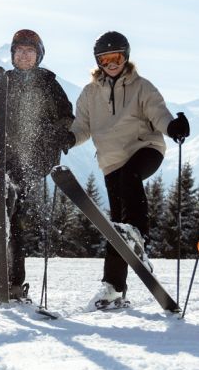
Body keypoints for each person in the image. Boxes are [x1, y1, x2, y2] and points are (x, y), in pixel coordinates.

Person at [69, 31, 190, 309]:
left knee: (130, 178)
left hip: (144, 149)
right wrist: (68, 138)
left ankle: (140, 234)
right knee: (116, 227)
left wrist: (173, 128)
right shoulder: (89, 93)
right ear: (98, 61)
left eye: (117, 57)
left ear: (126, 57)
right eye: (106, 59)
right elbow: (81, 127)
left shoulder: (141, 86)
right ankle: (113, 287)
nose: (112, 63)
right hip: (111, 161)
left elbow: (158, 112)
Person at [0, 29, 74, 302]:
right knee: (10, 216)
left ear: (38, 56)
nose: (24, 55)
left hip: (38, 154)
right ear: (13, 55)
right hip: (9, 156)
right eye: (19, 51)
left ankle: (12, 282)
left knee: (13, 207)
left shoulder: (48, 83)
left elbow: (67, 115)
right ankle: (10, 283)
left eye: (30, 51)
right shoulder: (4, 81)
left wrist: (62, 133)